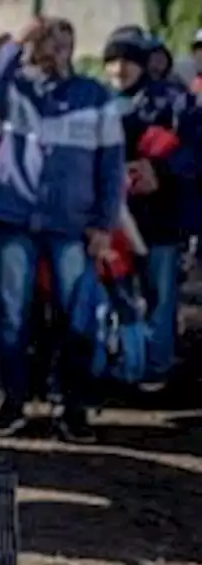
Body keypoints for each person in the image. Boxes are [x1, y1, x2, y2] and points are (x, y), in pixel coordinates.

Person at [0, 17, 123, 443]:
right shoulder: (13, 88)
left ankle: (72, 409)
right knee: (12, 317)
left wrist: (103, 225)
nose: (56, 52)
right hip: (15, 218)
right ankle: (13, 404)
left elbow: (111, 167)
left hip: (71, 225)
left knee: (76, 318)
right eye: (47, 43)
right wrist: (16, 42)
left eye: (63, 44)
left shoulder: (95, 97)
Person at [102, 30, 198, 392]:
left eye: (127, 60)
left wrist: (159, 171)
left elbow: (193, 151)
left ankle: (156, 365)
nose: (120, 68)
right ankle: (124, 360)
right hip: (111, 218)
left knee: (160, 292)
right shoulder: (98, 101)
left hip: (160, 217)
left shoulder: (174, 102)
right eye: (112, 60)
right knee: (117, 291)